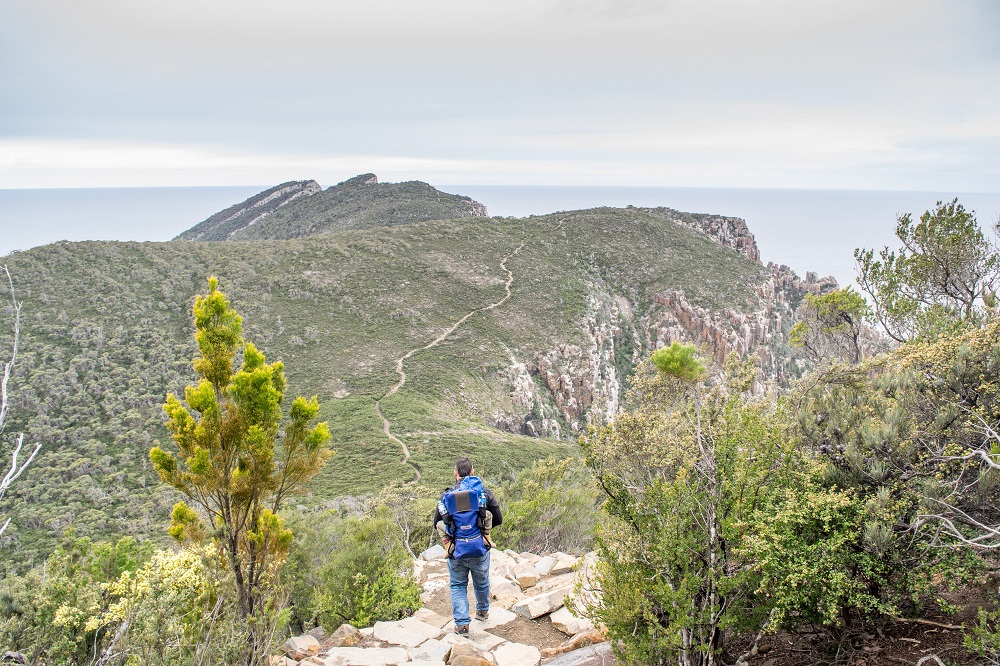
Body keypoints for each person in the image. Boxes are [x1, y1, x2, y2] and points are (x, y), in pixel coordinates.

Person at [432, 456, 502, 635]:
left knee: (458, 585)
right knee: (482, 581)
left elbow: (437, 522)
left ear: (455, 473)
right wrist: (479, 531)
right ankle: (482, 612)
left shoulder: (447, 496)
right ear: (472, 472)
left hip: (456, 549)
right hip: (479, 548)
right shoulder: (484, 493)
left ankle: (462, 624)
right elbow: (498, 519)